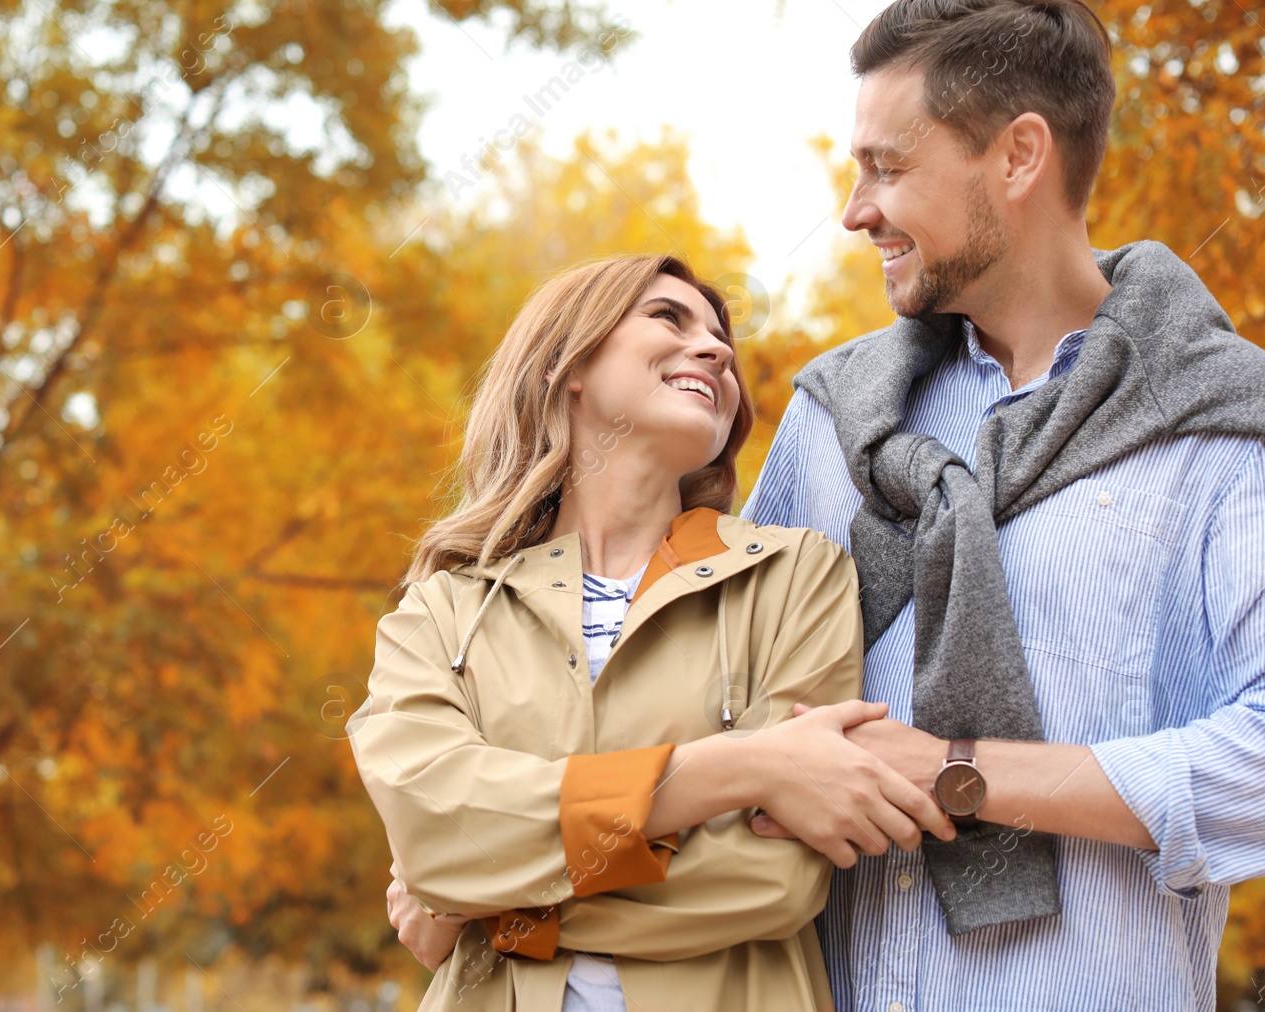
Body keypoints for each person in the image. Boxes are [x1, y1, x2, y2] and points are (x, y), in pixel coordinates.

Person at [741, 0, 1265, 1007]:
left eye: (887, 168)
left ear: (1018, 157)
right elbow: (696, 679)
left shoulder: (1224, 431)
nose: (854, 210)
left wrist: (959, 773)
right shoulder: (829, 422)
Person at [347, 254, 953, 1011]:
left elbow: (772, 880)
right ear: (567, 365)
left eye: (719, 335)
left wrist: (486, 900)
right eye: (669, 318)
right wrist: (742, 767)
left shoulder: (799, 576)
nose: (717, 349)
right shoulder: (439, 615)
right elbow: (436, 834)